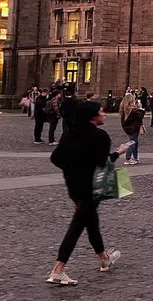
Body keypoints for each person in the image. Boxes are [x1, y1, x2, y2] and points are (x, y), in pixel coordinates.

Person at [46, 100, 131, 285]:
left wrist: (72, 169)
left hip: (73, 185)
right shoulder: (100, 136)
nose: (105, 114)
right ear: (93, 116)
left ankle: (105, 258)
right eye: (101, 112)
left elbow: (56, 158)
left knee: (90, 221)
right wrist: (119, 152)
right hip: (91, 188)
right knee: (77, 226)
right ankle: (58, 269)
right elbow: (102, 163)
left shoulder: (70, 132)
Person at [119, 94, 144, 166]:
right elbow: (140, 117)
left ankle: (135, 158)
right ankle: (128, 158)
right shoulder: (133, 110)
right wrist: (141, 109)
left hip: (128, 128)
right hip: (133, 128)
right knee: (132, 143)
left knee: (135, 143)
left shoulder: (124, 109)